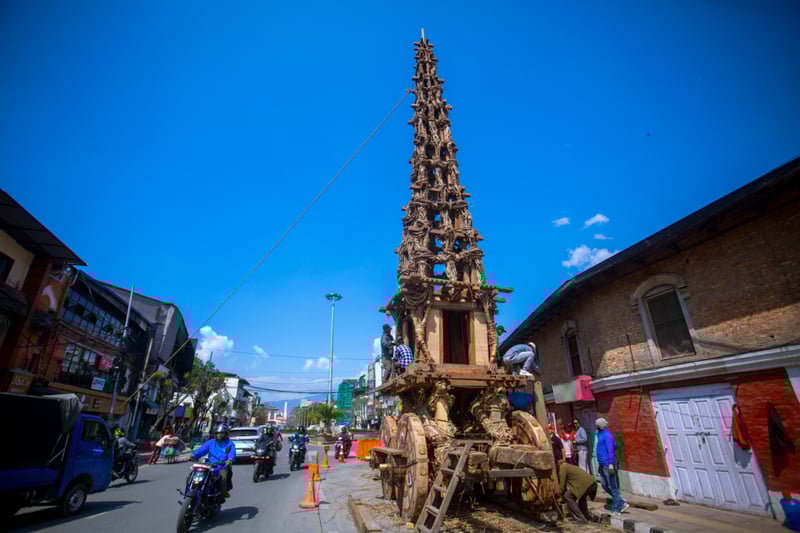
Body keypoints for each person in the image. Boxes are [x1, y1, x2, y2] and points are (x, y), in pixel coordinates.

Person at [191, 423, 236, 499]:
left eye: (221, 433)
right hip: (209, 465)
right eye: (218, 433)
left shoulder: (230, 443)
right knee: (193, 475)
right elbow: (202, 449)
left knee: (222, 478)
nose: (219, 435)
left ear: (225, 434)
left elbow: (232, 452)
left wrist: (230, 459)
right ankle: (189, 491)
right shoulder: (211, 442)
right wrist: (193, 455)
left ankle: (223, 493)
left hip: (222, 466)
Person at [595, 417, 628, 515]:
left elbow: (611, 450)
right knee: (604, 485)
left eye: (597, 426)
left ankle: (616, 509)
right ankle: (621, 502)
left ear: (600, 426)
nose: (596, 427)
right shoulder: (600, 434)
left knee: (613, 486)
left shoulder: (607, 435)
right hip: (602, 464)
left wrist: (610, 464)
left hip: (608, 464)